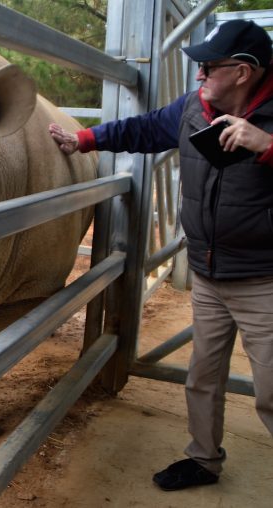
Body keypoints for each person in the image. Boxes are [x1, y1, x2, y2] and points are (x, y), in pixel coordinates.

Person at [49, 19, 273, 491]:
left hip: (263, 280)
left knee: (271, 392)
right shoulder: (195, 107)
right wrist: (85, 140)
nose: (199, 75)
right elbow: (145, 129)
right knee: (203, 377)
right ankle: (203, 459)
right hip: (210, 275)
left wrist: (267, 146)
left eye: (209, 67)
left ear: (243, 71)